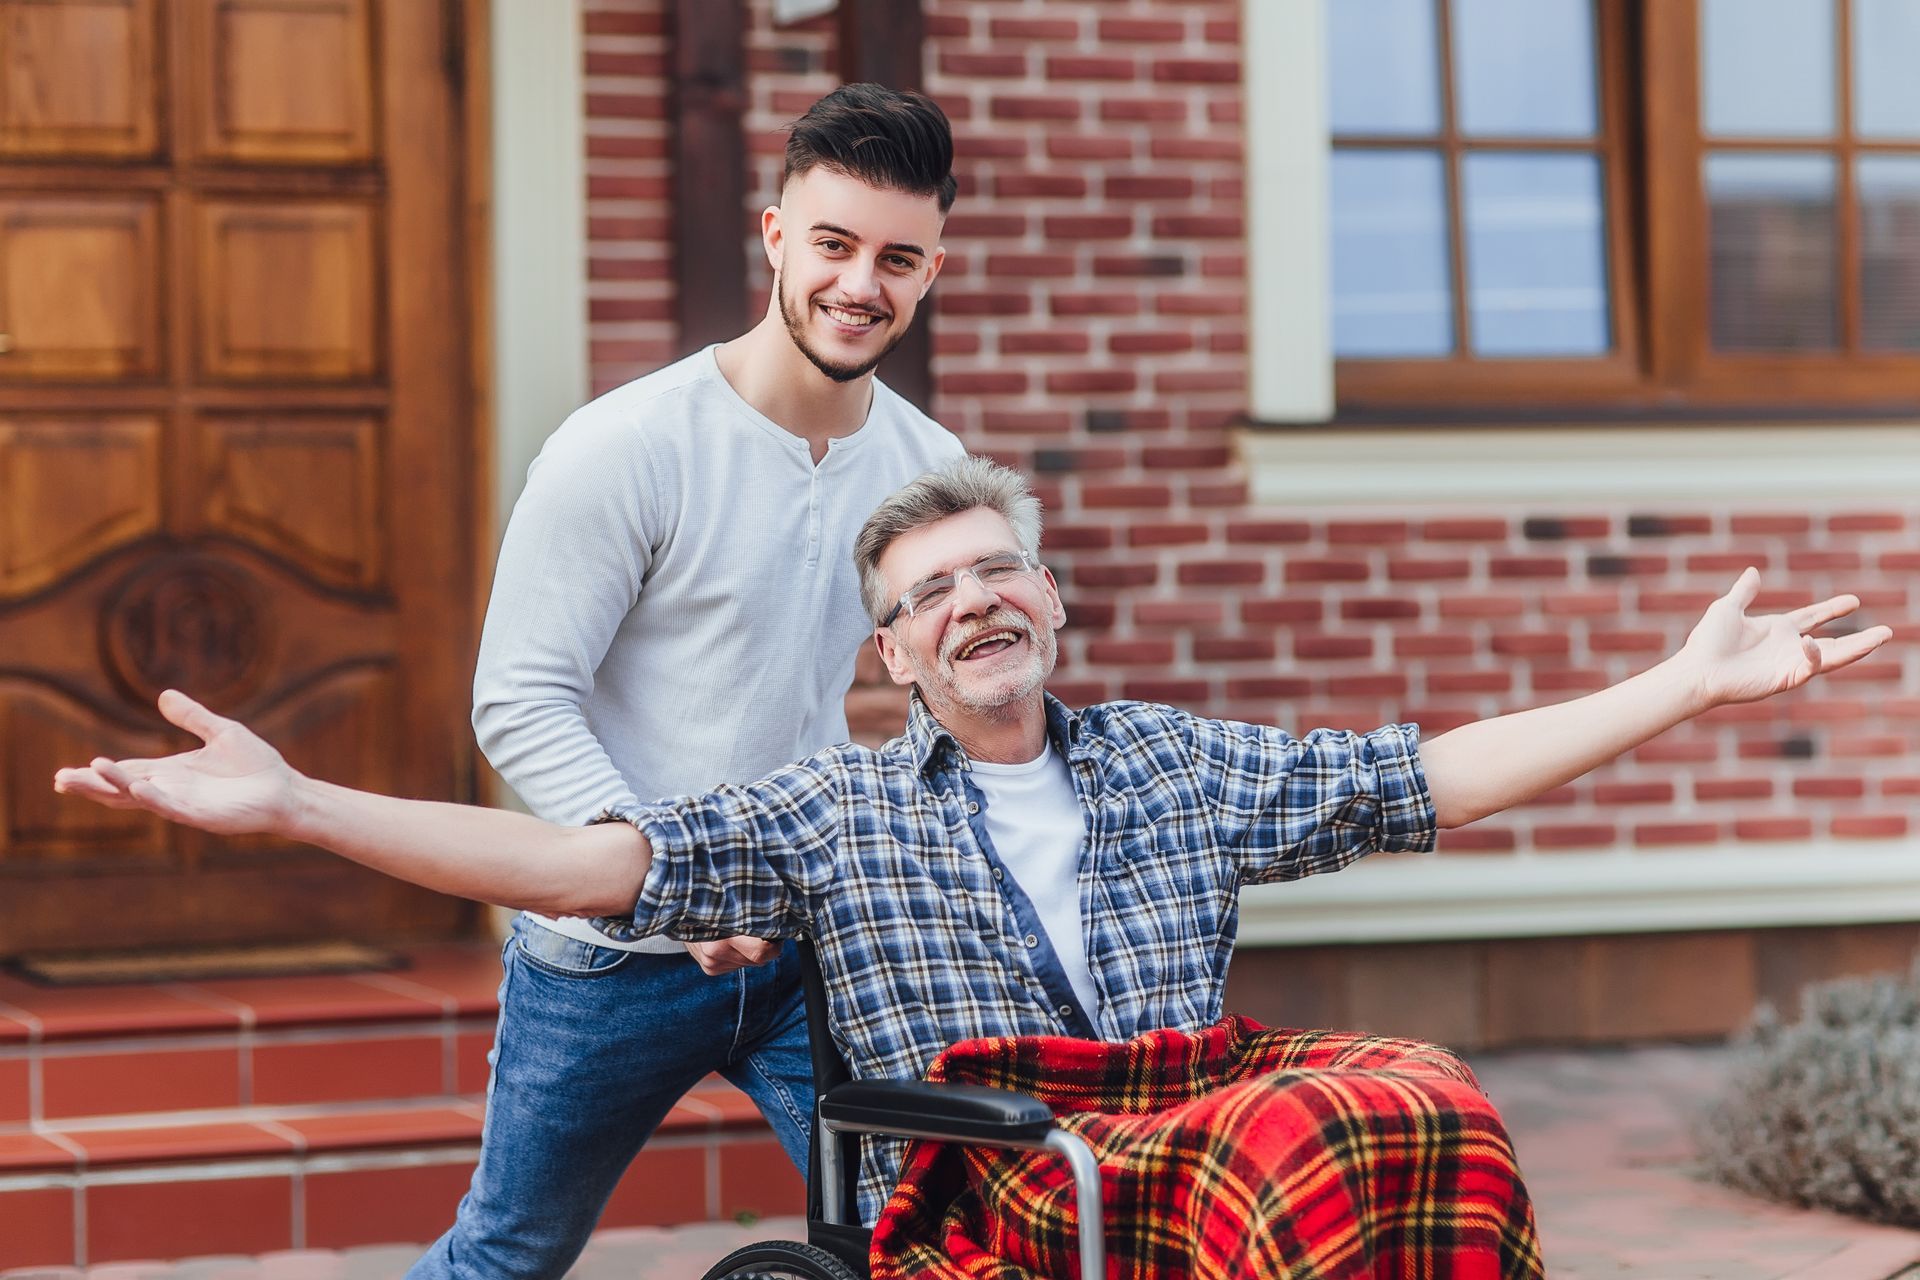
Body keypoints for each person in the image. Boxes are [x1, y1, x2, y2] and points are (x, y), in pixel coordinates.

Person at [55, 458, 1890, 1267]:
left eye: (995, 570)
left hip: (1190, 1109)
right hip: (1000, 1163)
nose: (972, 601)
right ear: (898, 659)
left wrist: (1680, 683)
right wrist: (299, 806)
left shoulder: (1173, 759)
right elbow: (582, 863)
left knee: (1427, 1097)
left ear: (1051, 600)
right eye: (929, 596)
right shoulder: (833, 813)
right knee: (1330, 1127)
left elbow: (1431, 776)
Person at [405, 83, 961, 1276]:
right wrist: (668, 876)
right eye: (833, 244)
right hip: (605, 951)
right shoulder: (628, 446)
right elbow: (518, 693)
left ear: (932, 267)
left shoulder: (930, 467)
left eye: (897, 257)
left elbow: (948, 701)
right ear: (774, 236)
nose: (861, 283)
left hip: (810, 931)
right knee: (507, 1254)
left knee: (936, 1230)